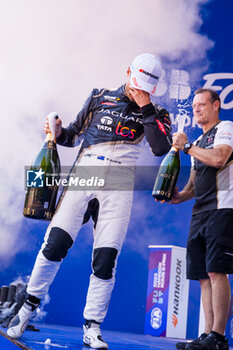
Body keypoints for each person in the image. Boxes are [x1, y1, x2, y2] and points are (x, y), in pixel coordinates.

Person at [7, 53, 172, 349]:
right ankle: (26, 308)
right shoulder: (99, 97)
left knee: (106, 259)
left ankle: (92, 326)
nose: (140, 89)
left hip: (120, 183)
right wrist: (57, 133)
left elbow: (161, 148)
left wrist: (146, 105)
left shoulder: (158, 113)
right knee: (55, 244)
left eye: (147, 86)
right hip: (86, 172)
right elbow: (72, 135)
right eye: (137, 82)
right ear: (127, 72)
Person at [169, 88, 233, 350]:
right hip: (199, 212)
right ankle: (207, 335)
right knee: (203, 277)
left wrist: (187, 147)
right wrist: (177, 196)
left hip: (223, 208)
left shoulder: (225, 128)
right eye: (194, 105)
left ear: (216, 105)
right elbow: (193, 188)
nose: (196, 109)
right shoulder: (198, 141)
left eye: (202, 104)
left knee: (217, 271)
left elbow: (219, 159)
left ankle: (218, 336)